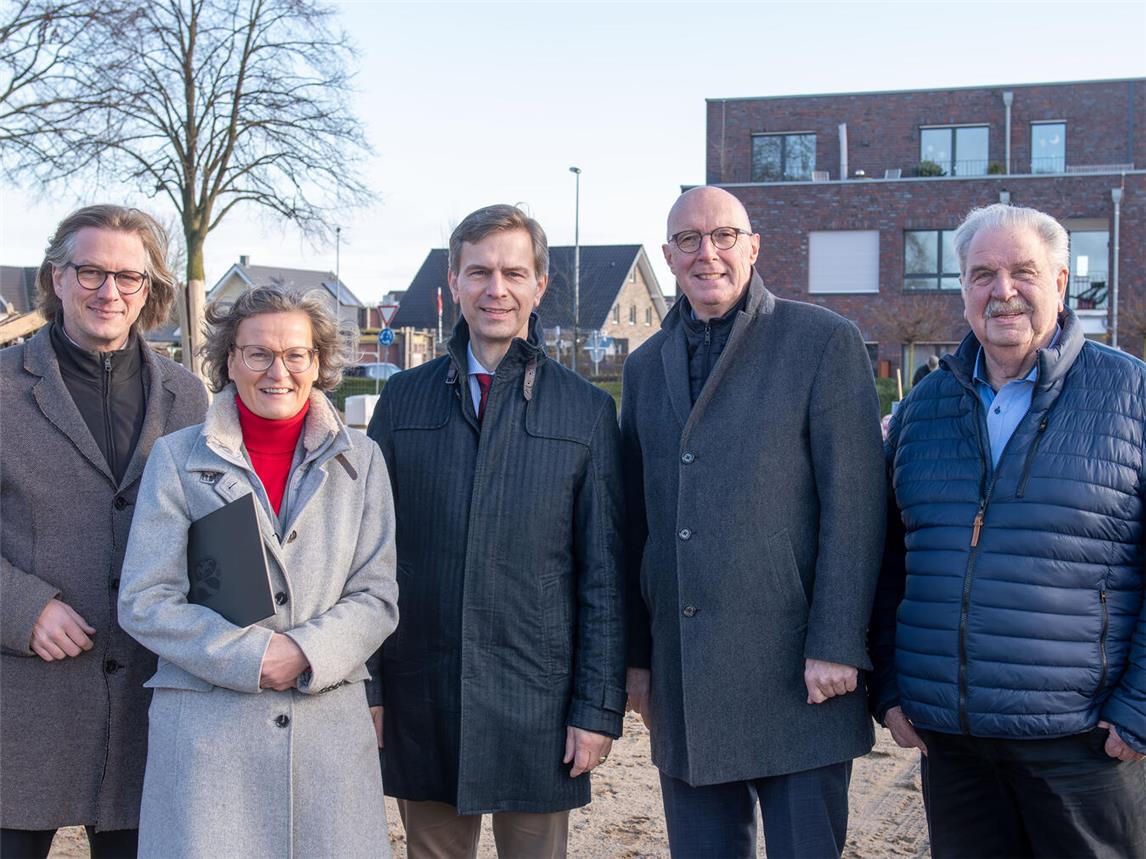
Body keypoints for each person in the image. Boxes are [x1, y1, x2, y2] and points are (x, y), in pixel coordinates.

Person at [871, 202, 1146, 858]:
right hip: (955, 743)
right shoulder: (924, 409)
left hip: (1082, 744)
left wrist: (1140, 705)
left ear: (1059, 282)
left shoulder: (1132, 396)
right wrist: (891, 684)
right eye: (982, 274)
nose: (1003, 290)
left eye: (1023, 271)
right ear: (963, 290)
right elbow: (885, 560)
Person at [622, 186, 886, 858]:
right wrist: (637, 659)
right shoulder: (645, 365)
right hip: (686, 678)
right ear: (668, 255)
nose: (707, 252)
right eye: (688, 239)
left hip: (801, 675)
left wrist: (838, 640)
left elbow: (855, 504)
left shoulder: (822, 341)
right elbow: (634, 523)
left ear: (754, 246)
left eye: (724, 236)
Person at [366, 204, 625, 859]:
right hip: (424, 691)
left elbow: (603, 573)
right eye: (479, 271)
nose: (496, 288)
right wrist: (368, 688)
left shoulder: (586, 409)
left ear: (540, 284)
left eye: (514, 271)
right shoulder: (402, 401)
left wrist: (596, 708)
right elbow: (363, 555)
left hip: (537, 699)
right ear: (453, 281)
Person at [116, 286, 399, 857]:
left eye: (296, 354)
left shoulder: (362, 463)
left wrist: (304, 652)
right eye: (259, 354)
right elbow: (145, 599)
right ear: (229, 360)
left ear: (317, 364)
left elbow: (377, 595)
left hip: (327, 738)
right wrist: (249, 657)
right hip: (209, 739)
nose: (279, 371)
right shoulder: (176, 459)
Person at [0, 205, 208, 858]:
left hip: (145, 710)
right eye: (91, 271)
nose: (109, 291)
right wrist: (20, 606)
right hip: (22, 701)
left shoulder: (188, 397)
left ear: (151, 290)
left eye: (128, 276)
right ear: (56, 277)